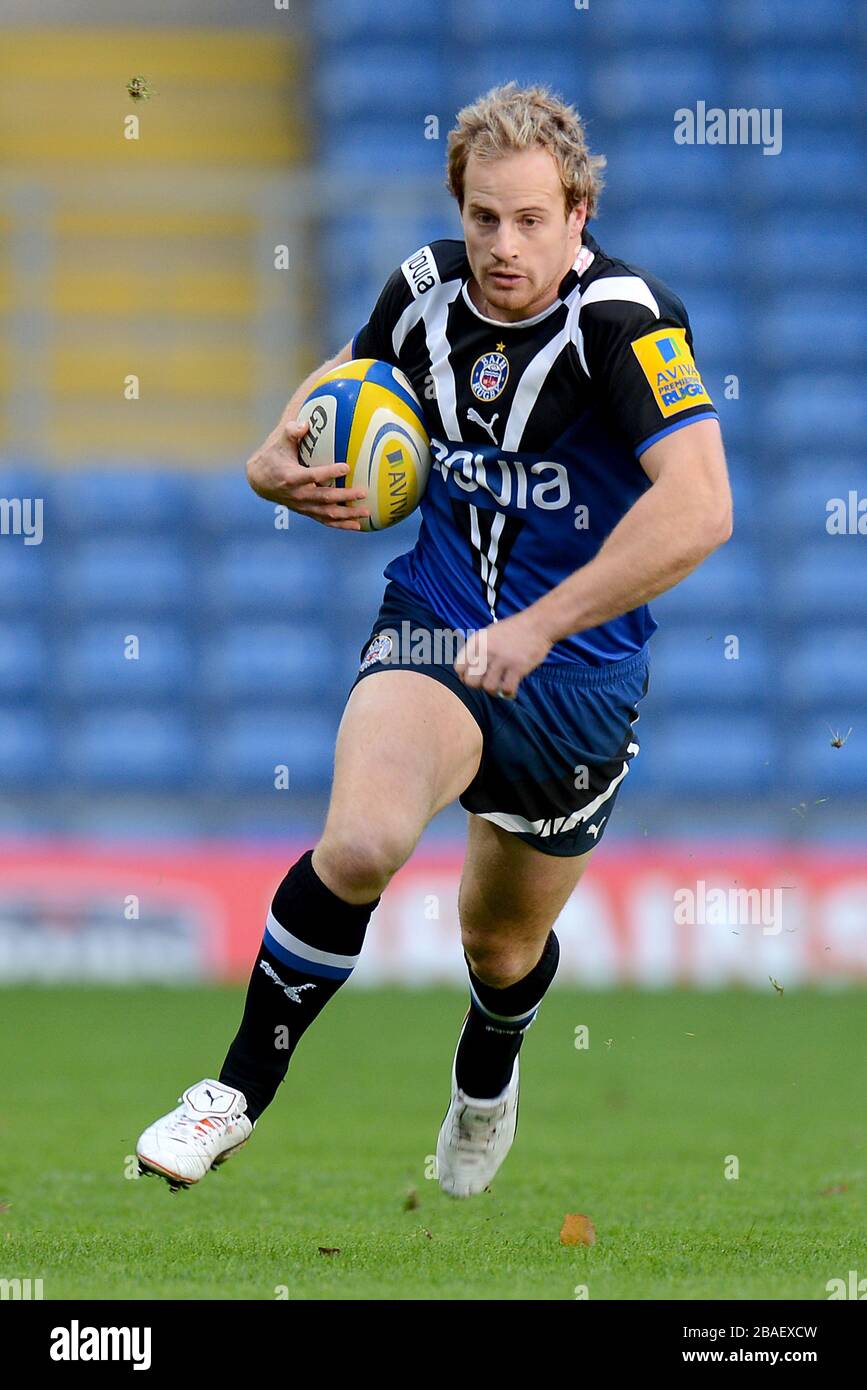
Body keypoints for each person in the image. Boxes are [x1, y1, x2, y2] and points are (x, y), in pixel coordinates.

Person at [135, 82, 731, 1197]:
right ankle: (227, 1097)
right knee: (360, 844)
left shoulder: (629, 323)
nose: (503, 246)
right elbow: (346, 385)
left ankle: (488, 1072)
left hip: (579, 680)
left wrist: (542, 625)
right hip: (439, 623)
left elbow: (701, 507)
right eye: (483, 219)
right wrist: (270, 458)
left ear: (579, 213)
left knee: (499, 949)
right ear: (458, 210)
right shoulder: (421, 292)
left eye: (531, 220)